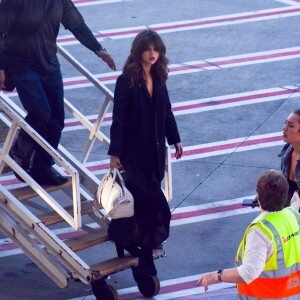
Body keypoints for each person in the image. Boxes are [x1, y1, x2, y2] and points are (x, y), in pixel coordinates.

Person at [0, 0, 116, 185]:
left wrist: (98, 49)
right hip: (22, 64)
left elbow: (76, 25)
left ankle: (42, 167)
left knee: (56, 119)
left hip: (49, 64)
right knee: (40, 114)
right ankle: (19, 153)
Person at [107, 30, 183, 279]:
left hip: (155, 156)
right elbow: (118, 118)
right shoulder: (126, 80)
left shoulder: (159, 78)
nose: (153, 54)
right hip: (133, 157)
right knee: (158, 209)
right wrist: (115, 153)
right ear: (138, 50)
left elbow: (166, 111)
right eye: (148, 49)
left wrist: (175, 139)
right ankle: (145, 258)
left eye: (156, 49)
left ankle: (128, 244)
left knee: (141, 209)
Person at [197, 169, 300, 299]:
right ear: (285, 196)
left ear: (259, 197)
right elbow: (294, 206)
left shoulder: (261, 231)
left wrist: (216, 276)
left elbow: (248, 272)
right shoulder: (292, 217)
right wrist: (295, 198)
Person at [279, 108, 300, 207]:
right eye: (285, 123)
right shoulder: (287, 150)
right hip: (288, 214)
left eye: (290, 126)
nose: (284, 128)